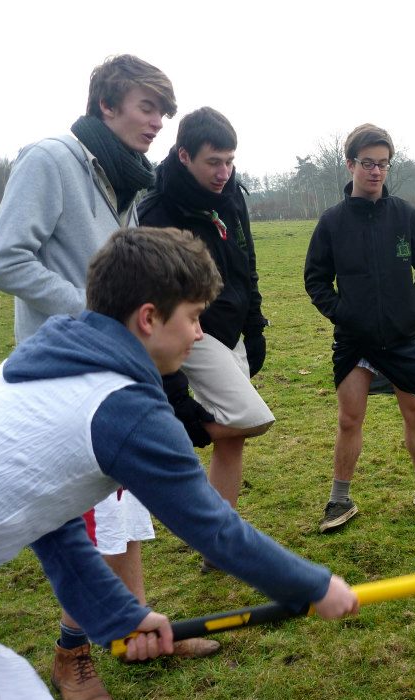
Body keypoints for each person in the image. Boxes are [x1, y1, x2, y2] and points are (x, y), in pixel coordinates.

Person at [0, 227, 359, 700]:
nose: (200, 334)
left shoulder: (53, 361)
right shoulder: (123, 409)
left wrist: (120, 617)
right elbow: (214, 528)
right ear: (148, 319)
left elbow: (51, 523)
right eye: (193, 317)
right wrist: (314, 586)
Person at [0, 54, 222, 700]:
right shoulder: (51, 159)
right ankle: (74, 654)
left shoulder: (125, 179)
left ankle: (136, 628)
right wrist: (92, 317)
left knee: (124, 511)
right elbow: (4, 258)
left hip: (111, 369)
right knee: (79, 522)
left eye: (163, 112)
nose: (156, 122)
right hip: (60, 380)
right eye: (146, 107)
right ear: (106, 105)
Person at [304, 123, 415, 533]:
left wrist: (412, 311)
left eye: (383, 164)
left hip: (402, 337)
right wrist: (344, 314)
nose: (376, 172)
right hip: (354, 341)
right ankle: (338, 500)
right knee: (349, 419)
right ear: (350, 165)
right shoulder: (332, 222)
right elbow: (315, 280)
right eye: (368, 163)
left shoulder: (406, 216)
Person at [138, 108, 273, 572]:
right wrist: (176, 395)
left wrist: (255, 325)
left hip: (232, 328)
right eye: (213, 162)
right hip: (192, 334)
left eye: (230, 161)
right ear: (183, 155)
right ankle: (179, 434)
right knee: (252, 418)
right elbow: (155, 296)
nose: (224, 172)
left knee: (232, 442)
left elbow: (245, 262)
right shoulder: (159, 211)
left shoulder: (231, 194)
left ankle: (219, 543)